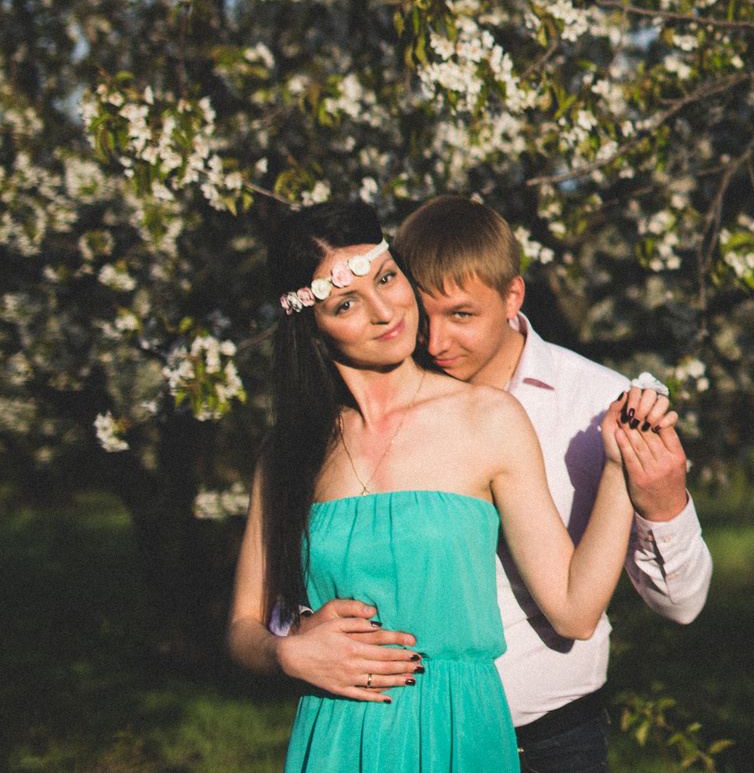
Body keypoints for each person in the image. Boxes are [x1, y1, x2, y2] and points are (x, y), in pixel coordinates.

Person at [227, 202, 643, 772]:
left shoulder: (489, 418)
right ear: (313, 327)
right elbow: (242, 628)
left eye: (388, 279)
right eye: (346, 303)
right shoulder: (289, 452)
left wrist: (621, 470)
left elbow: (574, 610)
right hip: (337, 739)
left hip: (460, 732)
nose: (383, 311)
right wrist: (286, 652)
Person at [392, 196, 712, 773]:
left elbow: (682, 605)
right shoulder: (388, 405)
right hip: (414, 736)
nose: (436, 342)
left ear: (513, 296)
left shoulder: (594, 404)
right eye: (423, 314)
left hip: (553, 743)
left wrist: (665, 505)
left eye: (462, 315)